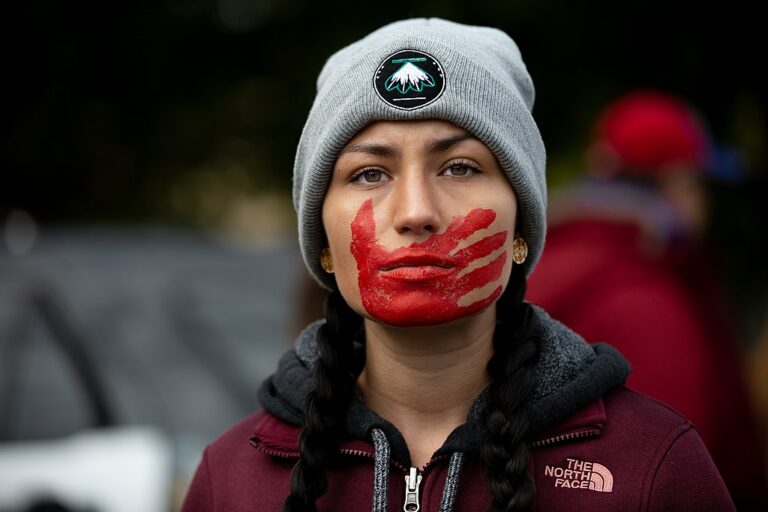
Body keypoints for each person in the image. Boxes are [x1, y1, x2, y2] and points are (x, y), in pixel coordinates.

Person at [181, 19, 734, 511]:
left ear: (522, 226)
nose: (417, 211)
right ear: (321, 242)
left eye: (461, 168)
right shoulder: (230, 479)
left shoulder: (653, 466)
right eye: (370, 174)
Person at [526, 90, 766, 508]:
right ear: (679, 184)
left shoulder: (545, 264)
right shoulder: (649, 298)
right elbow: (678, 467)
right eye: (699, 183)